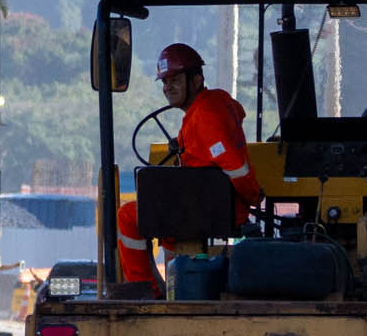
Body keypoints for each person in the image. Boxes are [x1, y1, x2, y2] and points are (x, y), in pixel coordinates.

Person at [113, 41, 264, 295]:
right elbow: (236, 117)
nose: (167, 87)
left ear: (196, 80)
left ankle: (146, 292)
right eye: (164, 81)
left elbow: (233, 165)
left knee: (127, 217)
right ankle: (177, 282)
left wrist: (251, 197)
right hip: (204, 201)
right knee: (163, 206)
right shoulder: (215, 103)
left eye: (175, 79)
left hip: (209, 206)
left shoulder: (205, 114)